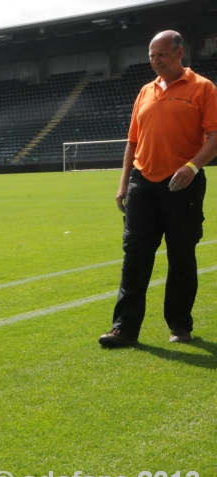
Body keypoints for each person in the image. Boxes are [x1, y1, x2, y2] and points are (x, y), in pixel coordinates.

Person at [99, 30, 217, 347]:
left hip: (183, 185)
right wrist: (124, 182)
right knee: (134, 256)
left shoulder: (203, 88)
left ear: (180, 53)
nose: (155, 61)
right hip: (142, 182)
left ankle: (180, 326)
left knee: (180, 256)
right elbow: (133, 140)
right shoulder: (145, 91)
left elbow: (215, 136)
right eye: (151, 55)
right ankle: (124, 328)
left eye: (161, 54)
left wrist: (192, 167)